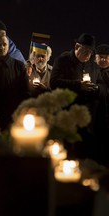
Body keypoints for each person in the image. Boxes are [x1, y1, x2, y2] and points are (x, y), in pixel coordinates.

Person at [50, 33, 106, 161]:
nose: (88, 55)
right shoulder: (63, 60)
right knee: (68, 155)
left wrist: (96, 88)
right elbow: (54, 82)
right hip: (68, 116)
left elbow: (102, 86)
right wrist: (78, 85)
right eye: (85, 50)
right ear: (76, 47)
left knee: (86, 156)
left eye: (91, 52)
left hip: (88, 120)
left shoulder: (93, 66)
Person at [0, 34, 30, 131]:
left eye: (4, 44)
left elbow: (25, 91)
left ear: (8, 46)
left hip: (13, 116)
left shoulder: (19, 66)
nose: (2, 47)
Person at [94, 44, 109, 167]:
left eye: (106, 57)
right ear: (95, 58)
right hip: (93, 115)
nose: (103, 59)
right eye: (101, 57)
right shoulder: (89, 70)